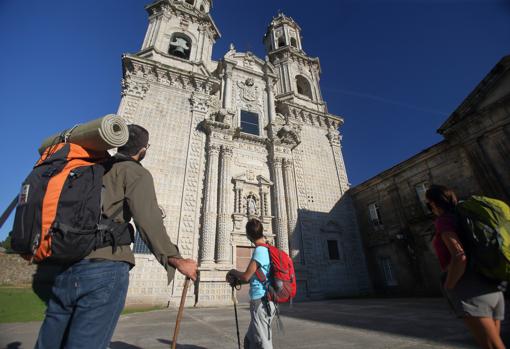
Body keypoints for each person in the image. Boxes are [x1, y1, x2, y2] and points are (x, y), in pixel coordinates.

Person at [35, 124, 198, 349]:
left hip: (67, 266)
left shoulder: (91, 168)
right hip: (105, 269)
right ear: (143, 149)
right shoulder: (135, 172)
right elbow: (148, 221)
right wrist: (175, 259)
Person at [425, 184, 505, 349]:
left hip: (470, 287)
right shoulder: (466, 215)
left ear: (433, 203)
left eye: (428, 204)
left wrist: (449, 285)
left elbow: (459, 255)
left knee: (493, 346)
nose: (429, 208)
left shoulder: (444, 220)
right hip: (492, 285)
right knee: (494, 342)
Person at [226, 219, 277, 349]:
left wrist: (232, 271)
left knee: (263, 342)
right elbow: (251, 277)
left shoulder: (260, 251)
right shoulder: (269, 249)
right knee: (250, 341)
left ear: (249, 235)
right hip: (268, 301)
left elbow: (246, 276)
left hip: (261, 301)